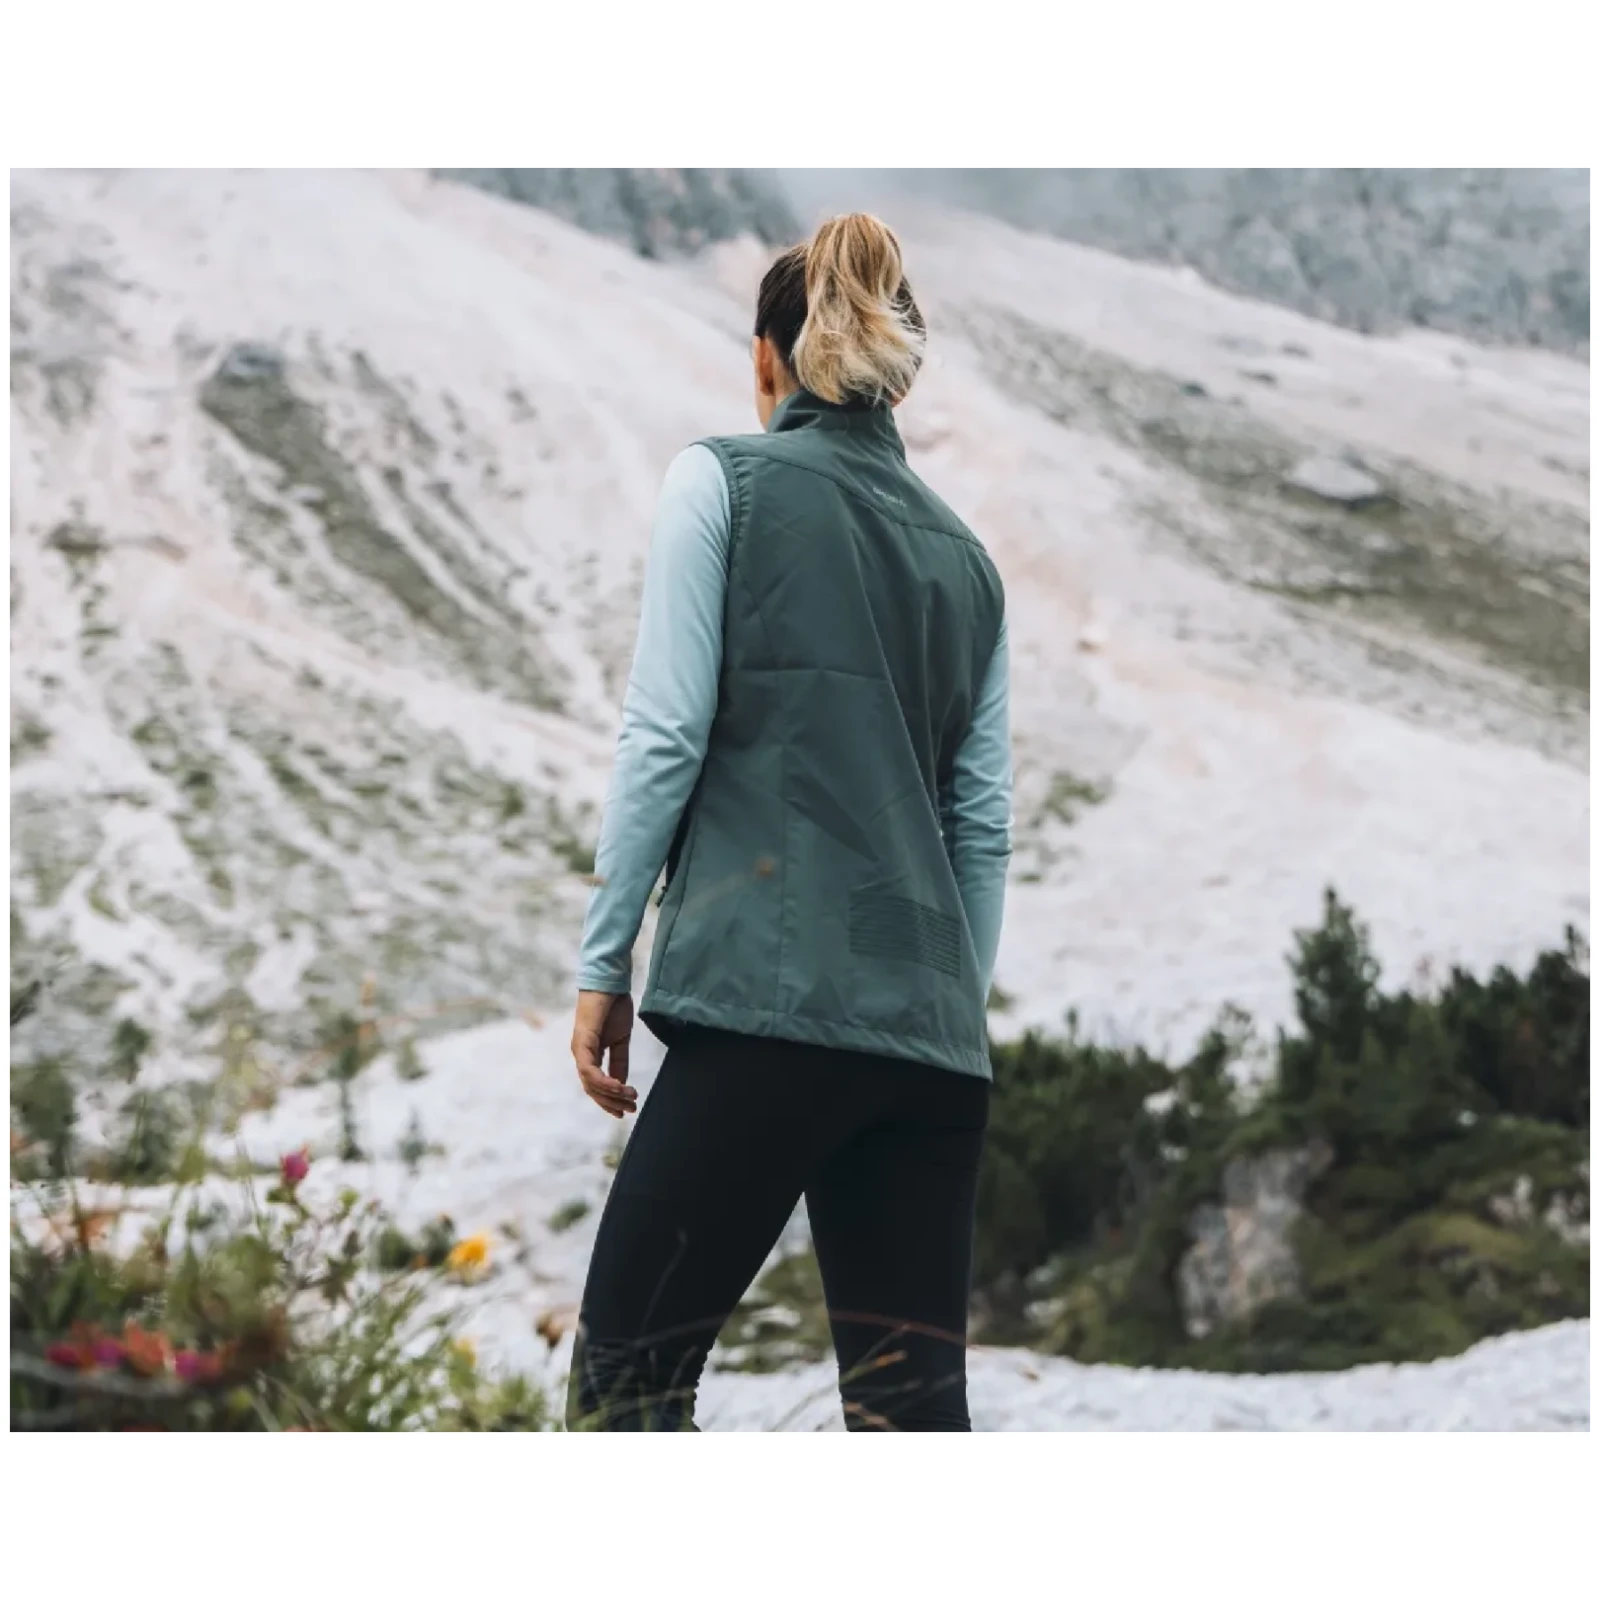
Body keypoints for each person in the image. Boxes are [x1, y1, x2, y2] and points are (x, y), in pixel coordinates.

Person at [565, 213, 1012, 1432]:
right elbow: (980, 829)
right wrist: (941, 1010)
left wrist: (605, 962)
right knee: (909, 1425)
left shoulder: (721, 480)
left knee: (625, 1388)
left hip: (766, 1012)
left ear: (768, 360)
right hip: (932, 1051)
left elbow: (664, 733)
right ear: (895, 376)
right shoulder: (970, 565)